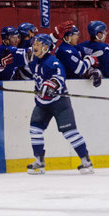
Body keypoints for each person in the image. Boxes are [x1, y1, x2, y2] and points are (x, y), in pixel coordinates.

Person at [26, 33, 94, 175]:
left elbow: (59, 77)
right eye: (34, 44)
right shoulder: (34, 61)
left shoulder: (53, 62)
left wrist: (51, 86)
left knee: (70, 132)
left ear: (45, 47)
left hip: (59, 103)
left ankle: (85, 161)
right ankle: (39, 161)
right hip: (42, 103)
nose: (34, 46)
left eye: (38, 44)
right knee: (35, 129)